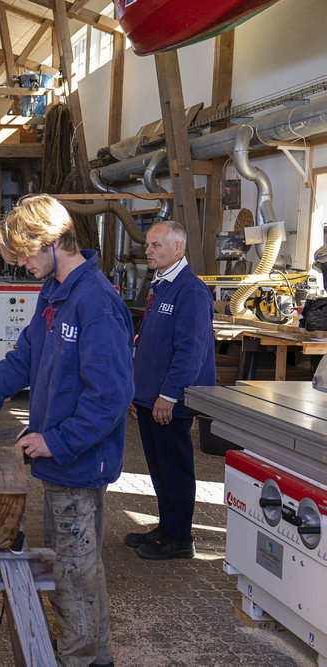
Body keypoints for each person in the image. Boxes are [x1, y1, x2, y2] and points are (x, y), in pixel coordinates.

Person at [0, 194, 134, 667]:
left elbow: (110, 397)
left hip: (76, 460)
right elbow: (25, 356)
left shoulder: (96, 302)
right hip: (60, 461)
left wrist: (54, 441)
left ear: (54, 242)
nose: (20, 262)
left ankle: (77, 658)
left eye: (25, 252)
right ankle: (96, 655)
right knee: (76, 563)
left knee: (72, 571)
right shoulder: (55, 296)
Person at [127, 221, 216, 561]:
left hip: (170, 400)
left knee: (175, 467)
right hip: (152, 396)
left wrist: (168, 395)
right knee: (159, 467)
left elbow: (189, 351)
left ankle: (180, 538)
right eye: (148, 245)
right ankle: (166, 528)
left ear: (177, 249)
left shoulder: (190, 291)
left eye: (155, 245)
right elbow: (151, 345)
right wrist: (140, 392)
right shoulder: (161, 286)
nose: (148, 250)